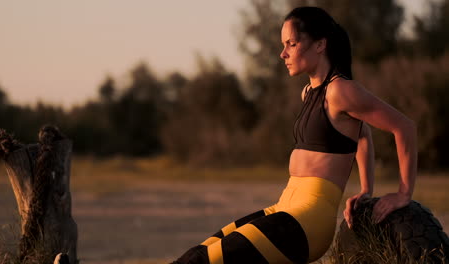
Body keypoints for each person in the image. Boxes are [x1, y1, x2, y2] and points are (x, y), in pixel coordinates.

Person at [172, 6, 417, 264]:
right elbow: (363, 133)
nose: (283, 53)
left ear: (320, 44)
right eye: (283, 45)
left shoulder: (340, 90)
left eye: (292, 44)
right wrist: (366, 188)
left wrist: (403, 193)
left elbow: (404, 127)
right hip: (284, 208)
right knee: (194, 256)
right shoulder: (309, 93)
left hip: (307, 221)